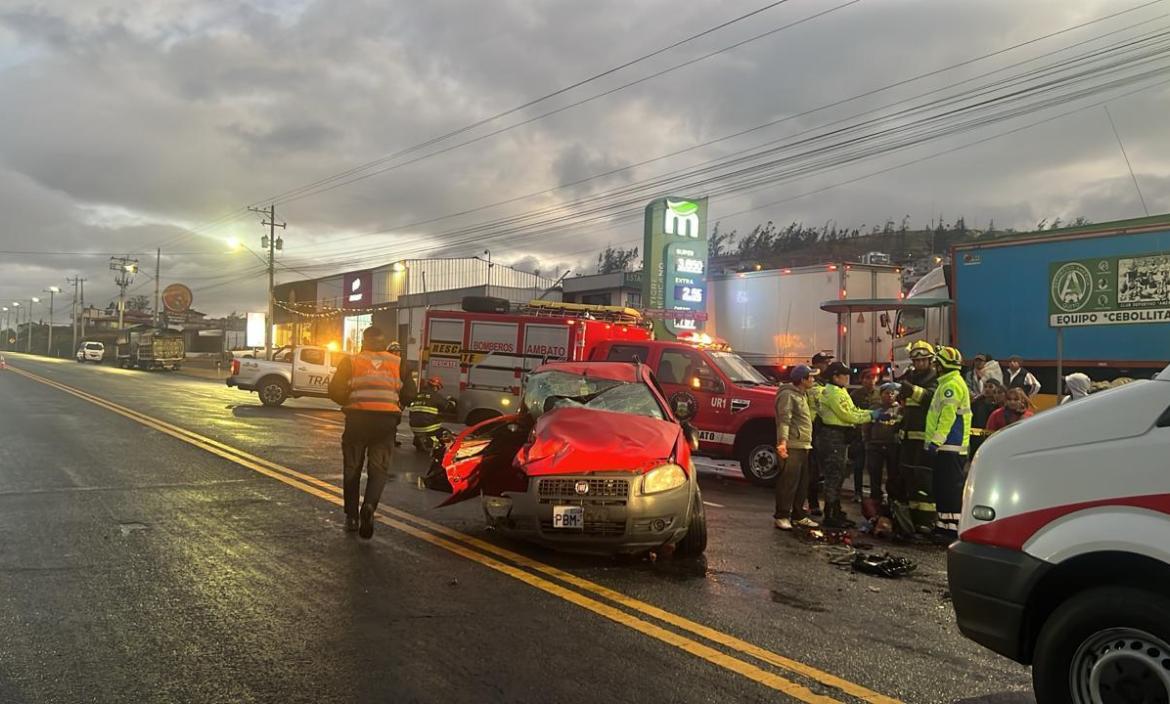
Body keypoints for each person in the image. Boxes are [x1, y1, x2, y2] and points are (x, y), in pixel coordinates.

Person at [328, 326, 415, 539]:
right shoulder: (398, 363)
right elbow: (411, 393)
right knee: (379, 469)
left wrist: (348, 401)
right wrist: (397, 404)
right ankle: (368, 506)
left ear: (364, 342)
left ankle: (352, 517)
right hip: (385, 424)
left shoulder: (351, 361)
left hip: (357, 421)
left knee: (352, 468)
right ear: (383, 342)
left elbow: (334, 391)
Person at [817, 361, 886, 529]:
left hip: (839, 437)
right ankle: (830, 514)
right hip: (832, 436)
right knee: (834, 475)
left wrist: (871, 414)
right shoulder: (832, 393)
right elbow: (848, 415)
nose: (847, 377)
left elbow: (853, 410)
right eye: (844, 375)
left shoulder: (839, 391)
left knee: (839, 474)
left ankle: (836, 511)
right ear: (835, 376)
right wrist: (871, 416)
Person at [924, 346, 972, 539]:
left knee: (950, 489)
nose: (935, 367)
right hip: (949, 446)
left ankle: (951, 529)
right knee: (943, 488)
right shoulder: (950, 383)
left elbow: (947, 417)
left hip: (949, 446)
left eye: (937, 364)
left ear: (942, 365)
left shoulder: (950, 386)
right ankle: (944, 526)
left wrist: (935, 441)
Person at [894, 340, 939, 535]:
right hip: (908, 436)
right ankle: (911, 517)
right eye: (916, 360)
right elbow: (903, 401)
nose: (920, 363)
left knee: (924, 479)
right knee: (909, 476)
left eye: (923, 360)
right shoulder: (909, 375)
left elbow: (931, 398)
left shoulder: (935, 377)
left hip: (924, 437)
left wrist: (912, 390)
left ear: (930, 360)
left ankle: (927, 520)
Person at [773, 365, 820, 531]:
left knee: (802, 482)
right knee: (789, 482)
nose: (813, 380)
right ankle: (782, 515)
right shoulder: (787, 395)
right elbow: (784, 420)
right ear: (802, 380)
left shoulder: (802, 395)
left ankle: (799, 515)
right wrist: (783, 442)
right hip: (792, 445)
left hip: (804, 445)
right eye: (811, 377)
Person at [806, 351, 835, 517]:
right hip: (812, 428)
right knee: (813, 469)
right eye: (825, 363)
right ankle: (812, 502)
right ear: (817, 364)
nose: (828, 366)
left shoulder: (825, 382)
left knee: (820, 469)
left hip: (822, 429)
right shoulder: (813, 382)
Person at [865, 382, 901, 503]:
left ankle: (893, 499)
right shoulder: (874, 409)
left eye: (892, 393)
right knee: (875, 474)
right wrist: (867, 441)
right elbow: (866, 426)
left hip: (893, 446)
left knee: (893, 474)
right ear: (881, 394)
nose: (890, 395)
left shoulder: (900, 410)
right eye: (886, 393)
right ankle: (875, 499)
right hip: (875, 445)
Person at [850, 368, 881, 500]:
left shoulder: (880, 393)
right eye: (867, 378)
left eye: (873, 378)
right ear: (862, 380)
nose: (871, 381)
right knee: (858, 465)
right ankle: (858, 492)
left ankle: (876, 493)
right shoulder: (855, 395)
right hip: (858, 435)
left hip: (875, 435)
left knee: (874, 466)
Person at [409, 376, 456, 450]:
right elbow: (449, 407)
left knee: (424, 424)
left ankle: (419, 440)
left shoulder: (418, 395)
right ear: (436, 387)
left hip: (414, 427)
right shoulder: (435, 396)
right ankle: (430, 442)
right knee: (446, 433)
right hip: (428, 427)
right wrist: (452, 401)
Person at [969, 379, 1004, 458]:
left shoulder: (999, 406)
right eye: (985, 387)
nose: (987, 389)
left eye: (990, 387)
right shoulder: (976, 403)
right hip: (976, 437)